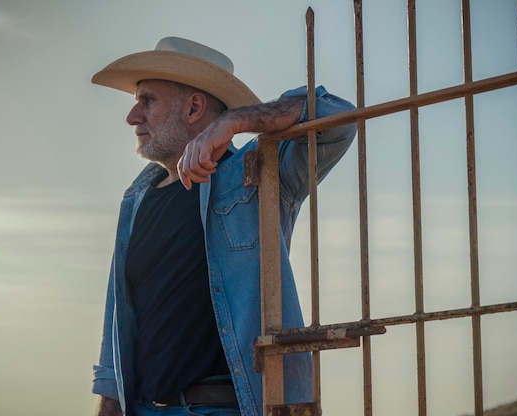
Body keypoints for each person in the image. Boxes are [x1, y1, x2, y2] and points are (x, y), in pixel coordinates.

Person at [90, 37, 356, 416]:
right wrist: (108, 403)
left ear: (194, 107)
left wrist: (235, 121)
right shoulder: (136, 201)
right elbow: (118, 323)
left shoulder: (255, 173)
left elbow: (339, 118)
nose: (133, 117)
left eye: (147, 100)